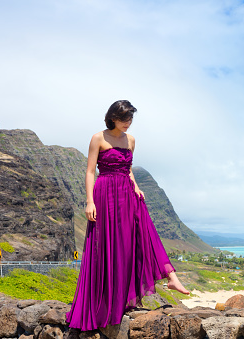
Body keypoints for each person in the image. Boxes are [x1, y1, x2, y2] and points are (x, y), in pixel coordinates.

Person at [66, 100, 189, 331]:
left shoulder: (131, 140)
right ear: (113, 117)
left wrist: (135, 186)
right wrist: (90, 201)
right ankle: (106, 304)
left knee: (142, 236)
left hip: (127, 193)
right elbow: (90, 171)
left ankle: (171, 276)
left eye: (131, 119)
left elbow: (128, 168)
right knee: (105, 247)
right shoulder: (98, 138)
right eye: (124, 119)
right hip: (104, 195)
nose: (128, 124)